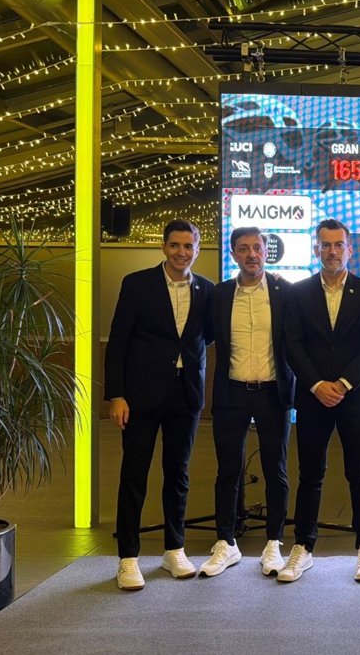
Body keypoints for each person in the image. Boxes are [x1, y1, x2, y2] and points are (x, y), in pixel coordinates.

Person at [105, 219, 215, 591]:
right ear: (164, 247)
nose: (181, 252)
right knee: (134, 475)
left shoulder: (206, 290)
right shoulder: (137, 284)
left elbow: (205, 337)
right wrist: (117, 395)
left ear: (196, 249)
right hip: (140, 397)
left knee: (178, 475)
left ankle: (174, 549)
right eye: (175, 245)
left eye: (188, 246)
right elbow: (118, 341)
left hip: (186, 396)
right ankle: (128, 557)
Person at [279, 219, 360, 583]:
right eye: (325, 245)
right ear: (316, 250)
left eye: (339, 245)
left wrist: (341, 383)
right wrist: (316, 385)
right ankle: (302, 547)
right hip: (313, 398)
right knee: (310, 474)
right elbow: (292, 344)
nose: (332, 251)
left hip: (355, 396)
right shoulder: (299, 292)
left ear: (349, 250)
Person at [201, 227, 295, 578]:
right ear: (234, 254)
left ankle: (274, 543)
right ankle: (226, 542)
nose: (252, 254)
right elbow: (203, 335)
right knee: (228, 470)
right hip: (232, 392)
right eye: (243, 248)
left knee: (276, 469)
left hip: (273, 393)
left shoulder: (285, 291)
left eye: (257, 247)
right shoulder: (220, 294)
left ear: (267, 251)